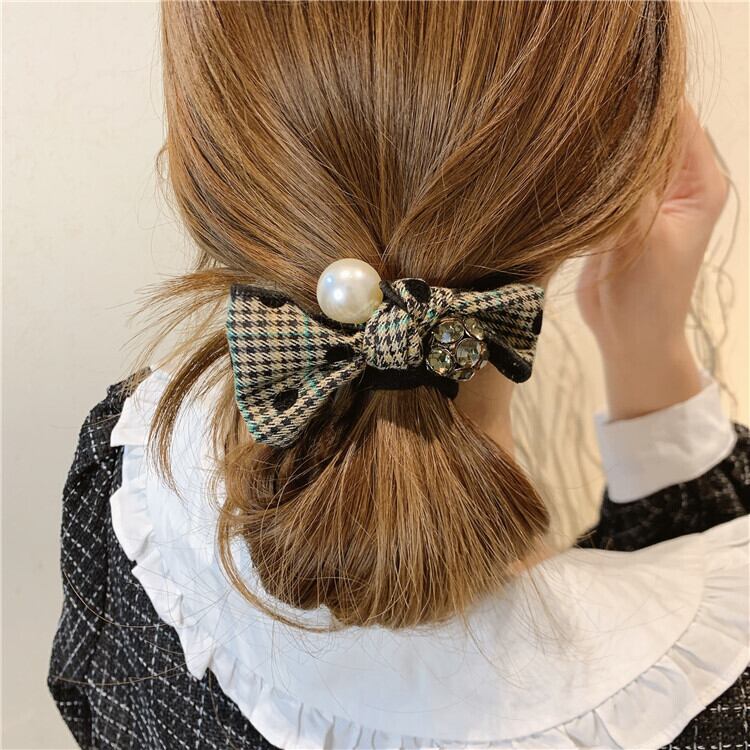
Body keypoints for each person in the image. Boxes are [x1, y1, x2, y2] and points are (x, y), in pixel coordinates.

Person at [48, 3, 748, 748]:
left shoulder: (133, 494)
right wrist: (650, 357)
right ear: (624, 166)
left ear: (211, 151)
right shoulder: (718, 688)